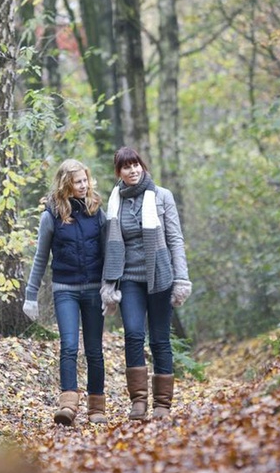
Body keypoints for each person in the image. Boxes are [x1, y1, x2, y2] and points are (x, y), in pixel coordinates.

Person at [101, 147, 191, 420]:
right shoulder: (115, 200)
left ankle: (162, 404)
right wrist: (108, 282)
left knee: (160, 339)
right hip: (129, 278)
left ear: (142, 165)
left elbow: (175, 239)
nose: (133, 170)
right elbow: (110, 244)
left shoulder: (162, 196)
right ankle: (138, 402)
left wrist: (181, 278)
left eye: (136, 164)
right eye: (126, 167)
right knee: (133, 335)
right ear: (119, 172)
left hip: (160, 277)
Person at [22, 159, 110, 425]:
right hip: (65, 290)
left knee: (94, 350)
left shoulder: (98, 211)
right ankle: (68, 405)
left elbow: (109, 251)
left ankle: (97, 407)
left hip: (95, 290)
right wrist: (30, 294)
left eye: (86, 180)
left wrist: (111, 286)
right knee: (69, 346)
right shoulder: (51, 216)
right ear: (65, 184)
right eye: (78, 182)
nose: (84, 186)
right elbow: (40, 257)